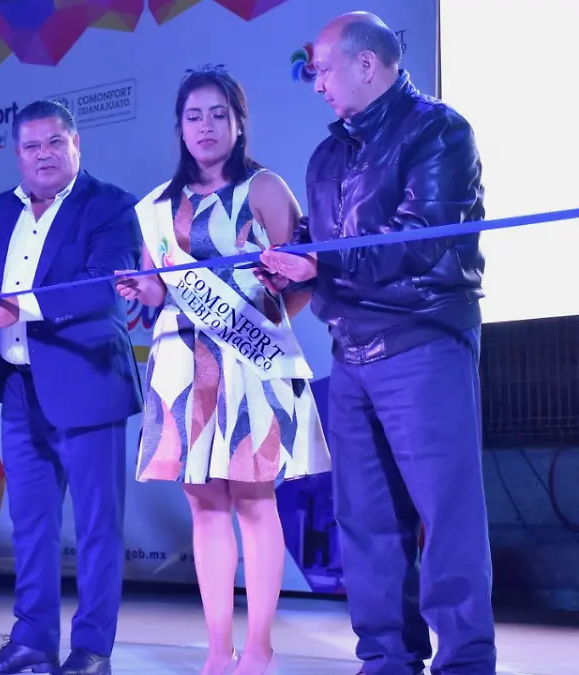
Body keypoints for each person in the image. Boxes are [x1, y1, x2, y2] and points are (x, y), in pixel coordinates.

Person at [257, 12, 495, 675]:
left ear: (367, 64)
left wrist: (319, 263)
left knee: (446, 515)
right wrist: (289, 264)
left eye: (323, 71)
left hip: (422, 342)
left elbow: (416, 242)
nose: (316, 85)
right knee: (365, 522)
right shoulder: (327, 155)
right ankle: (387, 658)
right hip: (350, 351)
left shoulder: (439, 131)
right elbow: (322, 243)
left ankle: (466, 662)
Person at [114, 67, 331, 675]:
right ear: (180, 128)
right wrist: (143, 290)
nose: (205, 127)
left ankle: (259, 647)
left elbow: (301, 278)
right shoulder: (158, 207)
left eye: (218, 115)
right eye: (194, 116)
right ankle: (217, 648)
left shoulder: (264, 189)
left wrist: (257, 330)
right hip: (183, 368)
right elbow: (159, 291)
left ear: (238, 124)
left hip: (252, 363)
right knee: (203, 505)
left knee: (254, 502)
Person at [0, 100, 142, 675]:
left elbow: (101, 285)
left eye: (55, 142)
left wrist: (17, 307)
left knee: (97, 526)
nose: (44, 155)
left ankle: (92, 650)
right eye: (32, 146)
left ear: (76, 144)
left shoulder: (110, 205)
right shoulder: (0, 209)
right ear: (17, 154)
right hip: (18, 388)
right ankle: (32, 639)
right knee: (31, 525)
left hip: (88, 383)